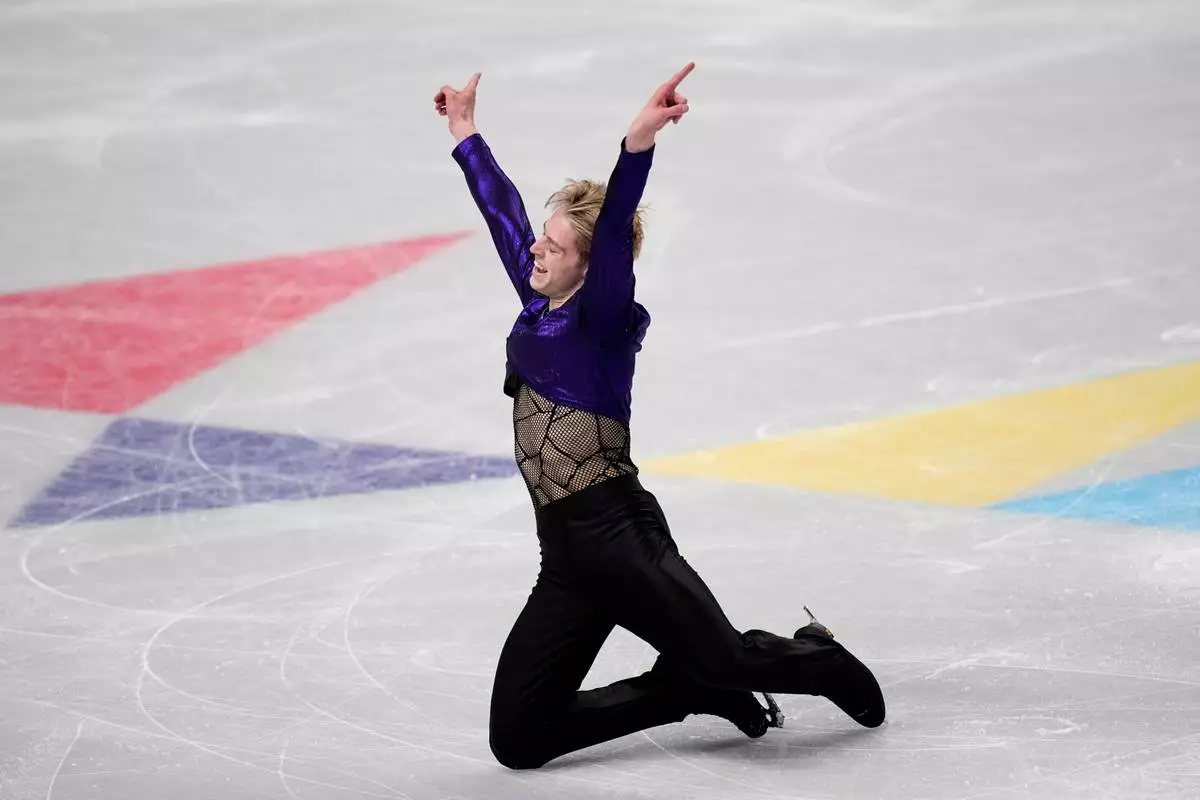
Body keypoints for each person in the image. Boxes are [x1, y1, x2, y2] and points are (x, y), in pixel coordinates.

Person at [434, 62, 885, 771]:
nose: (535, 251)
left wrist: (637, 143)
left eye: (553, 246)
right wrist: (466, 132)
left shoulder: (601, 318)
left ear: (587, 266)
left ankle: (818, 659)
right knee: (518, 739)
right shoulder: (537, 301)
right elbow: (503, 216)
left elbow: (612, 234)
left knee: (734, 657)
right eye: (541, 242)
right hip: (567, 556)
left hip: (620, 536)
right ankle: (678, 689)